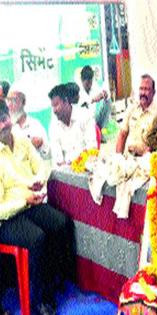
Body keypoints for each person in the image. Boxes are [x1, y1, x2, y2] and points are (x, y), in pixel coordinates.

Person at [0, 100, 74, 315]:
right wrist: (25, 201)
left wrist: (39, 180)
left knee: (61, 224)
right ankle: (36, 302)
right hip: (7, 217)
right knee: (37, 239)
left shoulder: (22, 140)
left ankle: (53, 286)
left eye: (4, 119)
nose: (3, 125)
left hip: (30, 203)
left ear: (10, 118)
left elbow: (41, 165)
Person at [48, 84, 97, 167]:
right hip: (67, 175)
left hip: (88, 168)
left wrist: (78, 164)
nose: (54, 110)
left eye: (56, 105)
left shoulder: (84, 115)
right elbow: (58, 161)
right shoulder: (53, 127)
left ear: (66, 101)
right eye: (52, 107)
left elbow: (92, 148)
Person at [116, 74, 157, 156]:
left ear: (153, 92)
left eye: (146, 89)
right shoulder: (132, 108)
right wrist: (118, 159)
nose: (143, 93)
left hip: (146, 160)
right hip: (128, 158)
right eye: (141, 89)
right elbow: (122, 135)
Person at [6, 88, 50, 159]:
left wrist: (41, 144)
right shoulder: (5, 127)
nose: (10, 104)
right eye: (8, 100)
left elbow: (48, 156)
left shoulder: (35, 125)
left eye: (13, 100)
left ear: (23, 102)